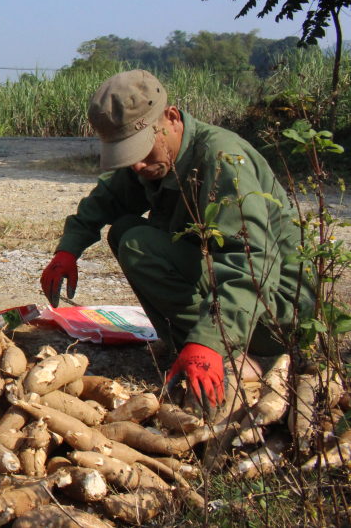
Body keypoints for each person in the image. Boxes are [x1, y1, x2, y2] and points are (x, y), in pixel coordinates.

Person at [39, 69, 311, 415]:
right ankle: (200, 347)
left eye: (142, 151)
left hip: (277, 312)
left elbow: (252, 264)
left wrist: (209, 340)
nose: (138, 165)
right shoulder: (154, 159)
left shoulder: (222, 160)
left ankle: (229, 353)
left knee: (136, 243)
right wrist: (68, 249)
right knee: (124, 231)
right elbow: (109, 197)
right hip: (241, 292)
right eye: (128, 156)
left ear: (171, 118)